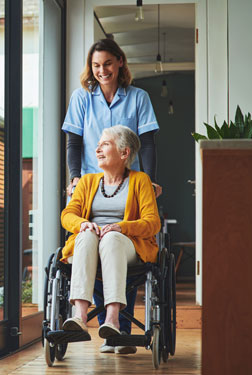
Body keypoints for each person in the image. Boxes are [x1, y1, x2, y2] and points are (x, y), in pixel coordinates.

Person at [62, 38, 161, 353]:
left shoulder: (138, 97)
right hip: (94, 181)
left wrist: (148, 180)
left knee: (116, 240)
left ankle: (117, 326)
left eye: (107, 63)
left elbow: (147, 142)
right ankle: (94, 319)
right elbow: (73, 142)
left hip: (127, 181)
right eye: (95, 65)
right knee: (89, 238)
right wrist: (75, 179)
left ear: (120, 62)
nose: (101, 70)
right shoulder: (82, 98)